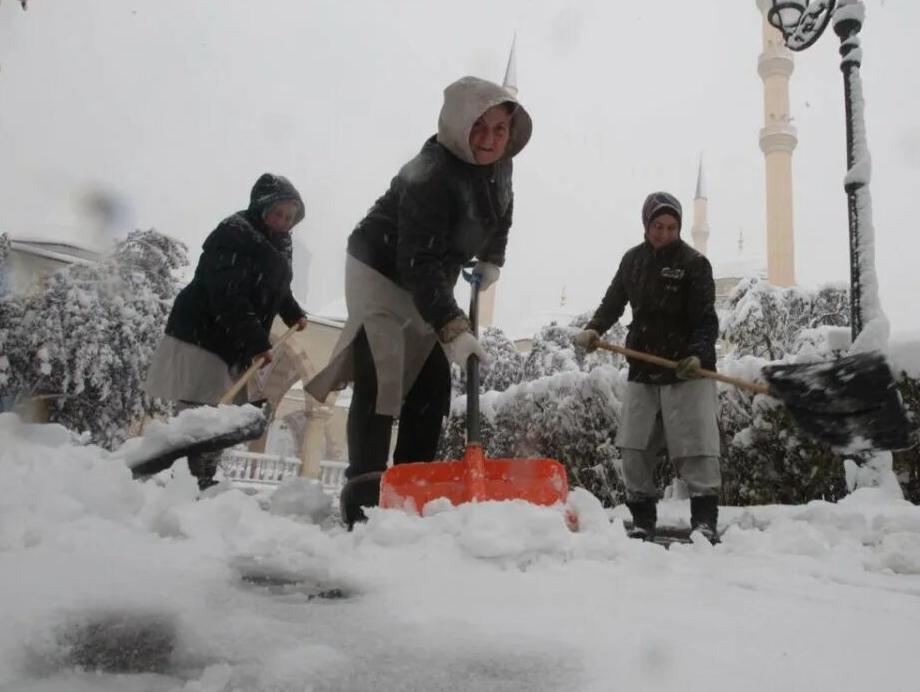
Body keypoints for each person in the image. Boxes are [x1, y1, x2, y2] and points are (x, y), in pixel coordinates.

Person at [306, 76, 532, 528]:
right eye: (479, 128)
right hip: (382, 268)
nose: (490, 140)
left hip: (431, 275)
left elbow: (502, 211)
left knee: (430, 387)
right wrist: (451, 326)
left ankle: (414, 488)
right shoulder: (430, 172)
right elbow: (417, 258)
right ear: (457, 124)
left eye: (499, 130)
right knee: (384, 376)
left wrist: (492, 259)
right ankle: (364, 498)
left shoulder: (501, 165)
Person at [574, 192, 722, 542]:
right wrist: (596, 327)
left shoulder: (694, 264)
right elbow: (612, 302)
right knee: (634, 447)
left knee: (696, 448)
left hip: (687, 370)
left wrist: (697, 356)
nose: (665, 233)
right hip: (643, 366)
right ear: (647, 225)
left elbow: (706, 320)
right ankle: (643, 520)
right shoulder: (633, 262)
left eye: (672, 227)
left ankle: (704, 522)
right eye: (659, 226)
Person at [145, 173, 308, 489]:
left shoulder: (277, 245)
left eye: (291, 217)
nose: (284, 222)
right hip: (204, 334)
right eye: (278, 213)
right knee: (200, 409)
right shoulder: (234, 235)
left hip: (233, 338)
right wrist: (257, 340)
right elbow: (228, 293)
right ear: (261, 208)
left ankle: (203, 474)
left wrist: (293, 313)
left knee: (223, 413)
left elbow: (275, 290)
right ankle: (185, 477)